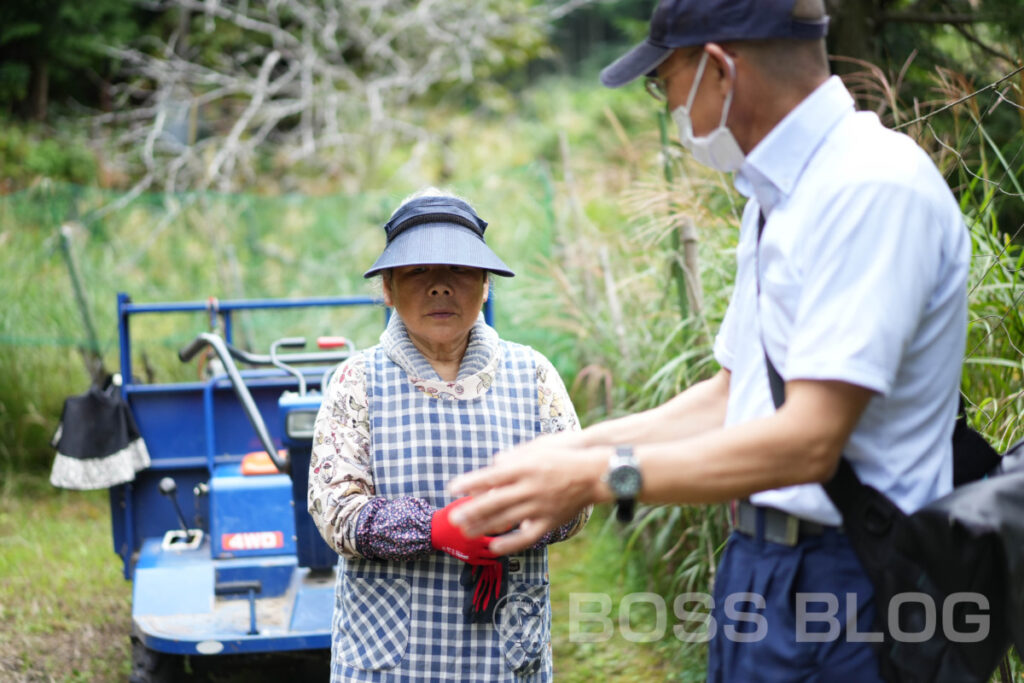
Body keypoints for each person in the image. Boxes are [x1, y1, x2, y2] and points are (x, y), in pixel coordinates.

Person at [448, 0, 970, 680]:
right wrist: (566, 449)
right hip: (763, 566)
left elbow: (810, 441)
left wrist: (596, 477)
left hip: (853, 581)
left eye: (665, 83)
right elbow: (735, 395)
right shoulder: (778, 199)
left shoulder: (871, 187)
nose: (671, 112)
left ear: (719, 69)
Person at [308, 187, 589, 682]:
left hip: (506, 654)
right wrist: (437, 528)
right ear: (389, 289)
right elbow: (335, 512)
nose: (440, 286)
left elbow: (579, 495)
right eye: (418, 271)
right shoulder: (358, 380)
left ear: (484, 285)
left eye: (458, 270)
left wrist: (513, 519)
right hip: (389, 658)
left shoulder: (533, 375)